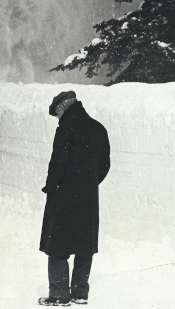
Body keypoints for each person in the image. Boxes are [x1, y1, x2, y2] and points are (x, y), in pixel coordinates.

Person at [38, 91, 110, 307]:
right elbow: (105, 165)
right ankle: (80, 293)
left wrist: (52, 187)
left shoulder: (66, 128)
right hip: (88, 198)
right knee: (84, 245)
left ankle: (59, 295)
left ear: (62, 107)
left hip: (64, 196)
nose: (58, 117)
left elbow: (57, 164)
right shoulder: (98, 128)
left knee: (58, 245)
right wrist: (89, 183)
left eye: (57, 113)